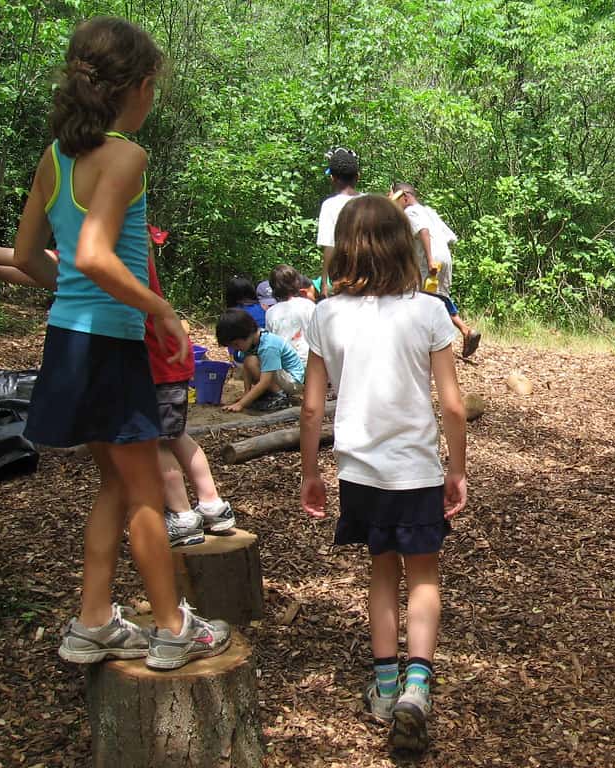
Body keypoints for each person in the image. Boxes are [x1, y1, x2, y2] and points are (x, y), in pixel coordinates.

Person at [11, 16, 229, 669]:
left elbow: (28, 255)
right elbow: (96, 254)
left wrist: (71, 291)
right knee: (141, 493)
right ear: (135, 86)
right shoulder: (127, 156)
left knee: (112, 483)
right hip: (110, 348)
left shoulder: (55, 157)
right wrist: (160, 309)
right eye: (152, 86)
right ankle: (172, 629)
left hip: (68, 343)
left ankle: (92, 621)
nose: (152, 98)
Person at [300, 195, 467, 756]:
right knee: (423, 575)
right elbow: (453, 405)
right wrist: (457, 471)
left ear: (343, 247)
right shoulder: (428, 311)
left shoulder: (326, 313)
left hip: (360, 472)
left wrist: (310, 473)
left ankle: (385, 682)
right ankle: (417, 685)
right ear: (403, 247)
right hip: (417, 470)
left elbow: (310, 408)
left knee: (380, 573)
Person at [145, 250, 235, 547]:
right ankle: (213, 506)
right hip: (169, 364)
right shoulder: (136, 256)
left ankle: (182, 516)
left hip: (156, 367)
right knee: (176, 435)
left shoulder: (120, 262)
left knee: (155, 441)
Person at [390, 183, 481, 358]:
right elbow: (449, 237)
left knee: (420, 298)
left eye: (396, 200)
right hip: (444, 257)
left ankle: (425, 343)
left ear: (405, 197)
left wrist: (430, 259)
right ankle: (466, 331)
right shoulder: (429, 211)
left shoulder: (411, 212)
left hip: (430, 259)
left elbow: (423, 231)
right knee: (438, 297)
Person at [215, 308, 305, 412]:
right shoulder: (252, 341)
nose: (236, 348)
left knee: (251, 361)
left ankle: (280, 396)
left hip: (293, 381)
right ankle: (270, 393)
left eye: (236, 344)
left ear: (247, 334)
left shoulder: (268, 346)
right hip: (279, 377)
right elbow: (246, 369)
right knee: (249, 361)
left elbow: (265, 381)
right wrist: (246, 394)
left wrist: (241, 404)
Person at [316, 146, 361, 296]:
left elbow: (329, 245)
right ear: (358, 177)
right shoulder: (371, 201)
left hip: (345, 273)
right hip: (372, 271)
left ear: (332, 178)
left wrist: (324, 281)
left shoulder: (330, 205)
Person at [265, 263, 316, 364]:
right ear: (296, 283)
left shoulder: (271, 312)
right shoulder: (308, 305)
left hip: (285, 365)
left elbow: (271, 343)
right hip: (309, 361)